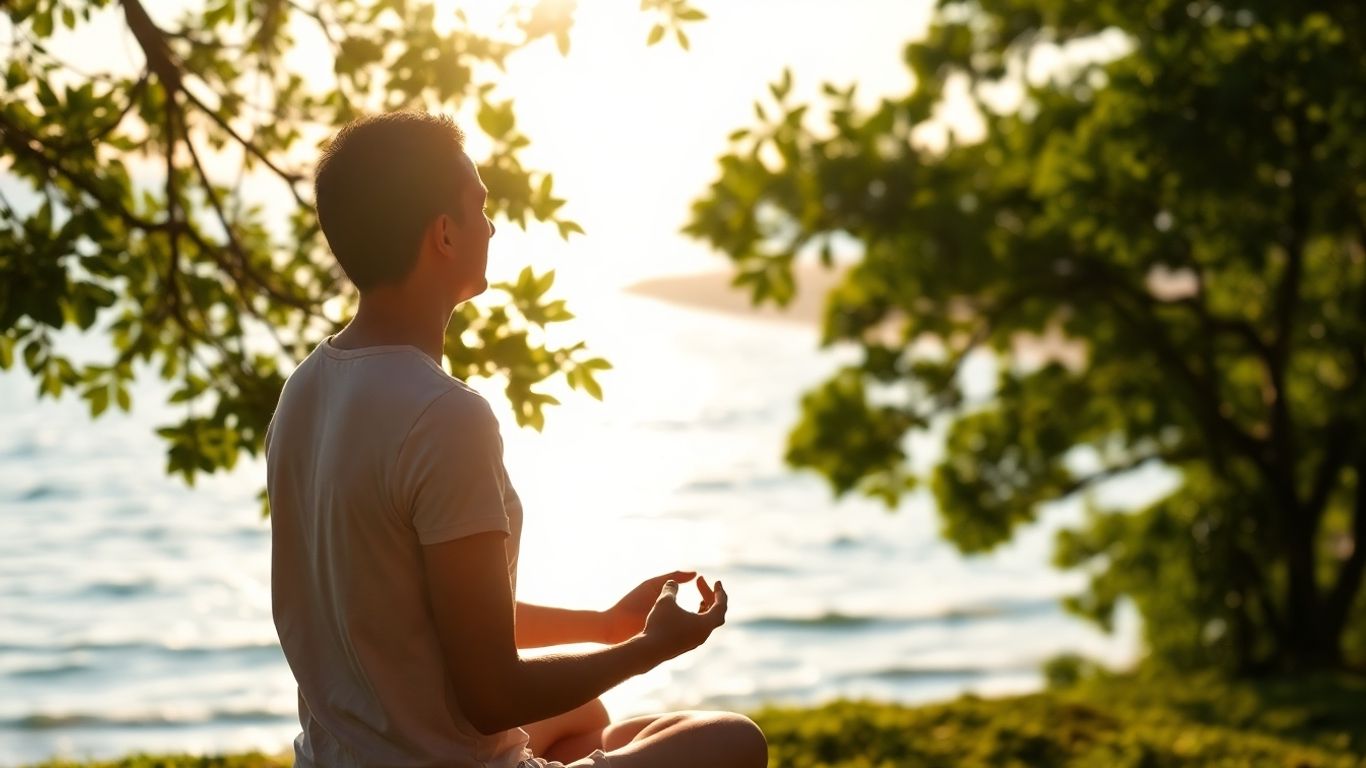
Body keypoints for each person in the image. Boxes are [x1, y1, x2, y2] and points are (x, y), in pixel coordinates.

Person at [265, 111, 768, 768]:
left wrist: (607, 626)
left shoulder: (303, 391)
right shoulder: (444, 416)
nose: (492, 225)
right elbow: (492, 698)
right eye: (479, 206)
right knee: (734, 742)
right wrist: (651, 648)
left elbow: (433, 611)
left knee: (584, 718)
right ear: (443, 234)